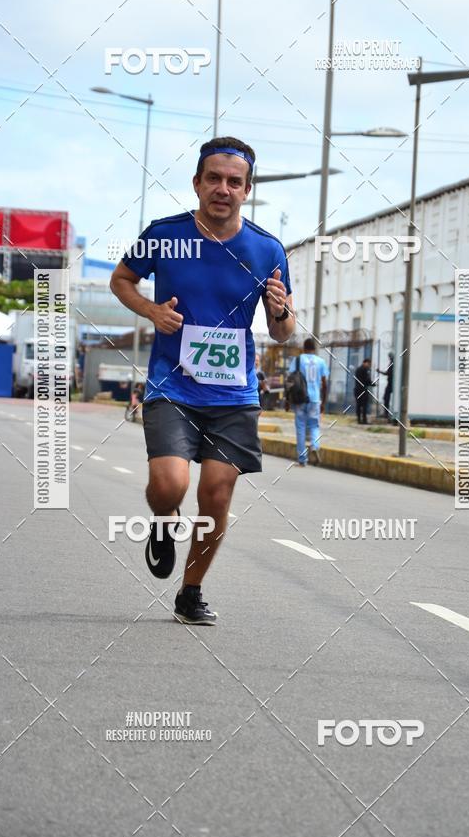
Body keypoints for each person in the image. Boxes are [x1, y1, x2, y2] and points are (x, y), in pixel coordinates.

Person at [110, 136, 295, 625]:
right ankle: (164, 520)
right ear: (196, 183)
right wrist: (151, 311)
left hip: (234, 392)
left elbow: (283, 331)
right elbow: (121, 280)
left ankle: (190, 592)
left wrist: (280, 312)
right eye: (213, 178)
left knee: (216, 493)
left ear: (247, 190)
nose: (223, 189)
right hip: (173, 386)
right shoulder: (165, 235)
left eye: (234, 182)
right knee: (169, 484)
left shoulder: (266, 248)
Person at [286, 337, 328, 466]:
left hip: (300, 398)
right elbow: (325, 384)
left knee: (300, 427)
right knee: (314, 425)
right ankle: (315, 446)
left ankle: (302, 459)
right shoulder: (320, 361)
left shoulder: (297, 360)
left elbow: (289, 381)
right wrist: (324, 402)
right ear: (314, 349)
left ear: (303, 348)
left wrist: (287, 400)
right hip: (315, 399)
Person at [353, 357, 375, 425]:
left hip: (357, 389)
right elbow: (367, 380)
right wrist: (372, 384)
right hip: (363, 390)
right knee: (364, 405)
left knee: (359, 405)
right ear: (365, 363)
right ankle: (364, 420)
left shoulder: (358, 369)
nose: (369, 365)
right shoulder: (365, 369)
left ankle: (359, 420)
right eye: (369, 364)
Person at [377, 352, 394, 418]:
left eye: (389, 357)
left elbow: (387, 373)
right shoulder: (393, 363)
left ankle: (386, 413)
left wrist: (379, 371)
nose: (389, 358)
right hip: (391, 383)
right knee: (386, 398)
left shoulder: (392, 363)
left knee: (386, 398)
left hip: (390, 383)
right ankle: (386, 413)